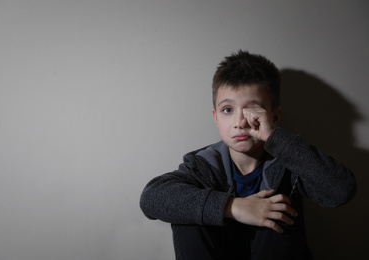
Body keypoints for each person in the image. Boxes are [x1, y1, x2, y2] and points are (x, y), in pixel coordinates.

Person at [139, 50, 356, 259]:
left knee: (275, 209)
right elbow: (150, 198)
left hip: (276, 249)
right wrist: (233, 207)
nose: (240, 122)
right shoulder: (205, 164)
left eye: (252, 110)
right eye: (227, 110)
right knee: (187, 213)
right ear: (215, 116)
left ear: (274, 116)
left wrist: (274, 137)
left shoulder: (288, 160)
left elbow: (341, 190)